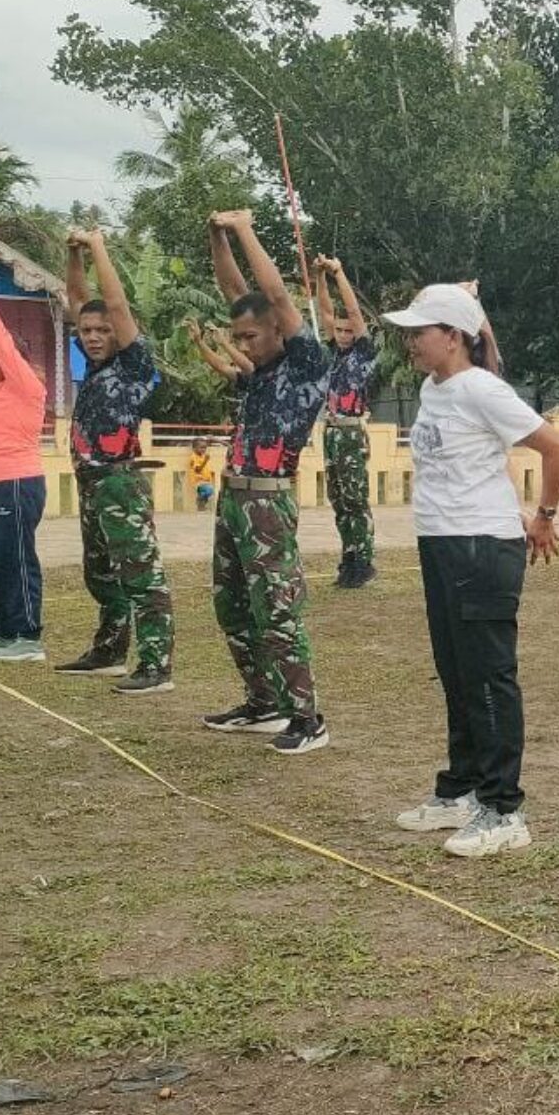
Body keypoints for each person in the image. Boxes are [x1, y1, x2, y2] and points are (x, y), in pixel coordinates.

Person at [385, 283, 559, 857]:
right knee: (456, 672)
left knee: (488, 677)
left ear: (452, 338)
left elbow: (557, 447)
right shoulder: (433, 386)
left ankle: (504, 809)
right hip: (441, 543)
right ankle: (461, 790)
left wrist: (543, 517)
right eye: (409, 332)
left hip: (480, 549)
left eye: (420, 332)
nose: (411, 342)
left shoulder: (482, 390)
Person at [193, 209, 329, 750]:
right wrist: (216, 236)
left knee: (276, 610)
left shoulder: (305, 364)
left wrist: (244, 228)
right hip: (233, 498)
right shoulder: (260, 371)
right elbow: (234, 288)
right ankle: (263, 702)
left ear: (279, 326)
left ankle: (306, 717)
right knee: (232, 605)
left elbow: (271, 291)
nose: (242, 346)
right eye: (237, 338)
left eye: (251, 336)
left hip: (269, 504)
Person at [53, 227, 175, 692]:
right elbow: (79, 296)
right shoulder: (98, 368)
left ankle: (155, 664)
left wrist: (97, 245)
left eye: (104, 331)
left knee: (141, 574)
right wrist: (72, 253)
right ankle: (109, 650)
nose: (94, 336)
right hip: (91, 480)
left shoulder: (134, 365)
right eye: (86, 331)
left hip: (120, 480)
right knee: (100, 571)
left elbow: (115, 306)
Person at [310, 255, 378, 589]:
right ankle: (349, 556)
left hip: (351, 431)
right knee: (338, 500)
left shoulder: (362, 352)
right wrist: (319, 276)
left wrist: (339, 273)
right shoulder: (332, 352)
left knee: (355, 498)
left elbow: (353, 313)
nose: (343, 333)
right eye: (339, 330)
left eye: (348, 330)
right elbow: (326, 312)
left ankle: (363, 560)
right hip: (331, 431)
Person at [0, 295, 47, 663]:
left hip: (16, 481)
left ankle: (27, 635)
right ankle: (6, 631)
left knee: (15, 557)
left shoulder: (24, 387)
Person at [189, 438, 217, 512]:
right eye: (201, 447)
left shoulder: (203, 456)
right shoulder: (193, 457)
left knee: (208, 492)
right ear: (194, 448)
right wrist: (205, 461)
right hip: (198, 481)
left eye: (205, 448)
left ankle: (201, 506)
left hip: (206, 480)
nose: (203, 450)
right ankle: (200, 502)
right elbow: (198, 470)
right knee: (209, 491)